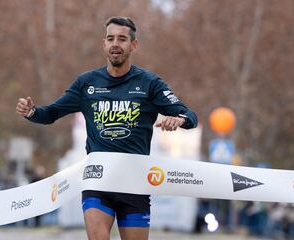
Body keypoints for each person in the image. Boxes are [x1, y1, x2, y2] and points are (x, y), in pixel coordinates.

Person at [16, 16, 197, 240]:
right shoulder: (86, 83)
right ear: (104, 44)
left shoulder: (150, 83)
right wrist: (32, 112)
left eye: (122, 39)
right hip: (97, 181)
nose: (115, 44)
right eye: (110, 38)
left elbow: (189, 115)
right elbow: (50, 113)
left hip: (134, 183)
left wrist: (179, 120)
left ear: (133, 45)